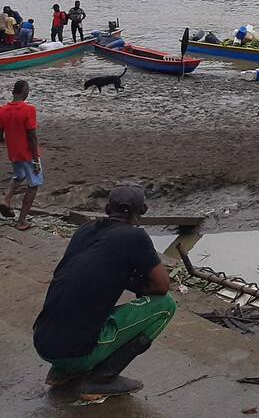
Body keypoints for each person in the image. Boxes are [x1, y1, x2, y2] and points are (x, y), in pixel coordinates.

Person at [33, 184, 175, 400]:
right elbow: (162, 286)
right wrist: (135, 282)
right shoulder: (134, 237)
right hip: (75, 352)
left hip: (43, 342)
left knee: (80, 305)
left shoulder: (84, 230)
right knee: (166, 306)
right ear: (142, 211)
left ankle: (61, 372)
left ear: (108, 208)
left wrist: (121, 275)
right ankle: (102, 379)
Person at [0, 80, 41, 231]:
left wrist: (10, 142)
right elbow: (32, 137)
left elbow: (0, 135)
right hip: (27, 154)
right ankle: (22, 220)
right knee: (34, 184)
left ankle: (6, 198)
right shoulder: (28, 110)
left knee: (19, 175)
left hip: (14, 153)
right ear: (25, 92)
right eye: (28, 90)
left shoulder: (3, 110)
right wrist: (36, 160)